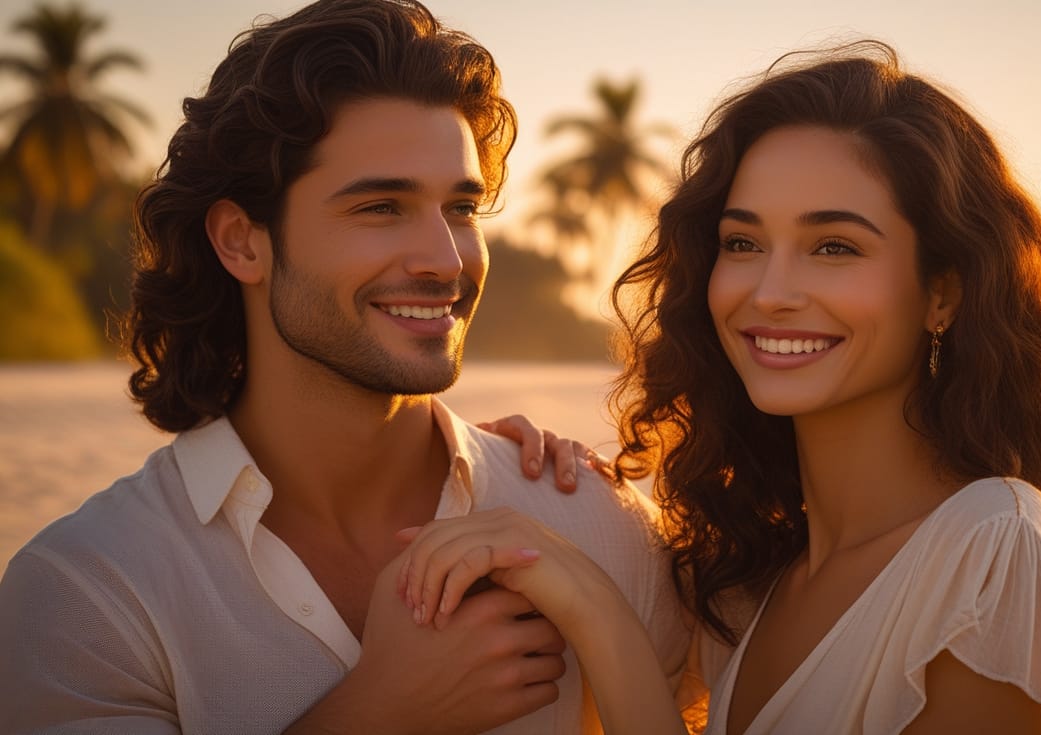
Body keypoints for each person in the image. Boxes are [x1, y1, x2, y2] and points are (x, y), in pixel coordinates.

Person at [395, 41, 1041, 734]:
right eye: (744, 243)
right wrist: (521, 470)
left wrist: (593, 605)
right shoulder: (750, 584)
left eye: (834, 246)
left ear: (942, 292)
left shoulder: (990, 545)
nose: (771, 291)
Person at [0, 1, 691, 732]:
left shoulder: (597, 526)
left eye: (461, 208)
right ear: (242, 242)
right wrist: (377, 710)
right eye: (382, 208)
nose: (444, 259)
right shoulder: (86, 587)